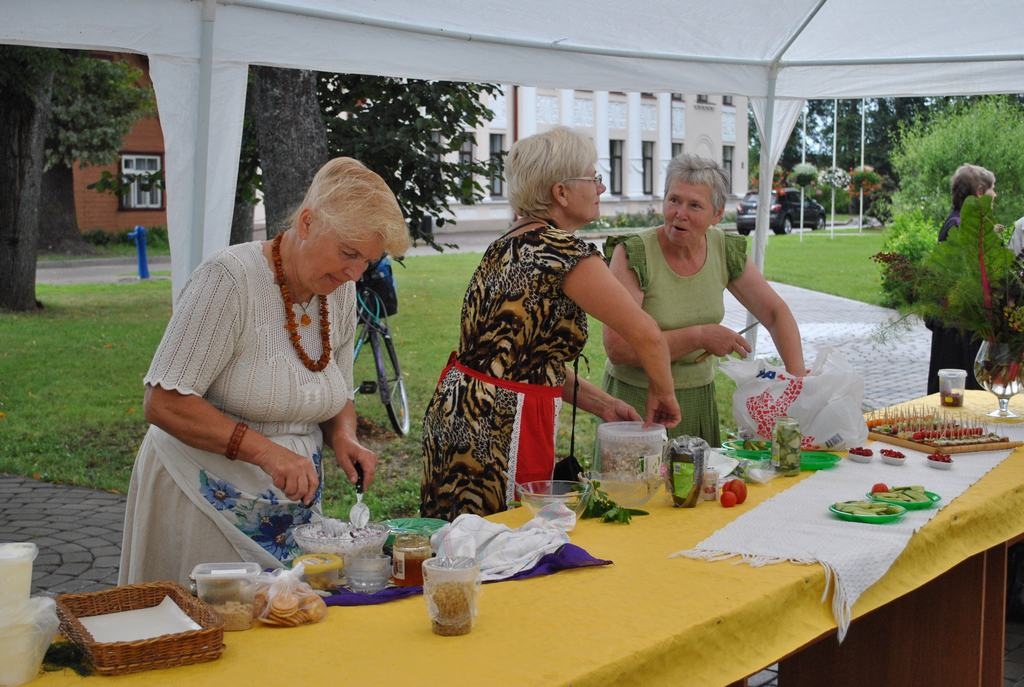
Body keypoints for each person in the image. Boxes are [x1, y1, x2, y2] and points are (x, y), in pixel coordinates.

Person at [119, 157, 411, 585]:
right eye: (348, 253)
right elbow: (164, 403)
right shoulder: (229, 279)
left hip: (290, 505)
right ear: (308, 223)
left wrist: (343, 436)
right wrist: (267, 452)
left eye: (367, 261)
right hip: (202, 496)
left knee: (285, 624)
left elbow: (336, 389)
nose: (354, 272)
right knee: (213, 627)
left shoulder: (340, 292)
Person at [420, 126, 680, 520]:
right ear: (561, 192)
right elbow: (646, 335)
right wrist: (663, 393)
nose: (601, 188)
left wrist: (604, 404)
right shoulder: (563, 251)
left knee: (465, 546)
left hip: (460, 416)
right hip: (500, 428)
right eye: (593, 178)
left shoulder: (506, 245)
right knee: (506, 546)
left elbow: (520, 360)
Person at [602, 154, 805, 446]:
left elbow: (774, 312)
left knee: (698, 489)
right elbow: (618, 348)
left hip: (698, 399)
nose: (679, 213)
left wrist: (799, 385)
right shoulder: (634, 253)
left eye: (694, 205)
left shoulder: (724, 249)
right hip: (637, 404)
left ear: (718, 214)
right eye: (673, 200)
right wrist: (699, 336)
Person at [926, 163, 997, 395]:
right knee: (957, 396)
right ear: (978, 192)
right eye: (991, 189)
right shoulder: (957, 227)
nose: (994, 195)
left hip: (960, 328)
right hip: (957, 334)